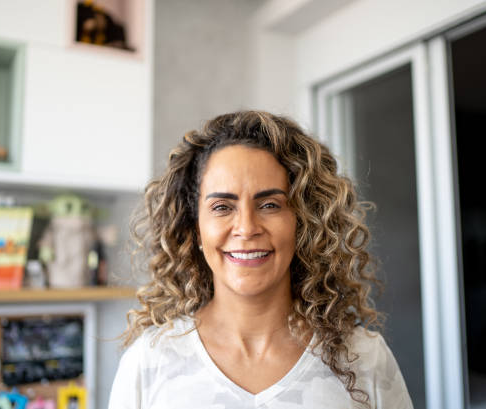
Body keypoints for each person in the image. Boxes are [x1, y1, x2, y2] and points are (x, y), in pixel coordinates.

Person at [108, 111, 413, 408]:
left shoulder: (366, 359)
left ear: (302, 222)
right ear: (196, 229)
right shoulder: (147, 363)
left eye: (269, 204)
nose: (247, 228)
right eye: (222, 207)